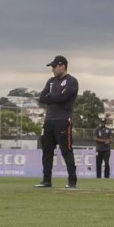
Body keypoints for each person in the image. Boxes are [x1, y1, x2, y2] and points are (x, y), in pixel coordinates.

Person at [34, 55, 79, 189]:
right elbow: (42, 97)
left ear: (62, 66)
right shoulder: (51, 81)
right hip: (49, 120)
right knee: (47, 150)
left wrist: (52, 98)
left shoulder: (71, 81)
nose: (52, 70)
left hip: (63, 120)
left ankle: (72, 181)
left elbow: (63, 97)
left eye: (54, 67)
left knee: (66, 150)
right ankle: (46, 180)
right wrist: (55, 98)